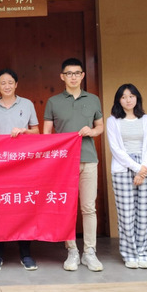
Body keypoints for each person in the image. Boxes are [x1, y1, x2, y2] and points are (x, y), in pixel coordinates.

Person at [43, 58, 105, 272]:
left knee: (88, 207)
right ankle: (72, 251)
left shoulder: (93, 99)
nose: (73, 77)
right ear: (62, 76)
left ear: (82, 76)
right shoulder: (53, 102)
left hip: (88, 159)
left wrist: (92, 131)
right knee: (67, 208)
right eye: (69, 73)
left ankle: (90, 252)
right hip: (64, 163)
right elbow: (46, 133)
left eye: (77, 73)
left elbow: (100, 126)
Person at [0, 68, 39, 271]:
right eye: (3, 83)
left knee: (23, 207)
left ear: (16, 84)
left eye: (10, 82)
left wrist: (25, 131)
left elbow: (37, 132)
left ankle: (25, 254)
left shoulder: (27, 104)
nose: (7, 86)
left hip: (23, 165)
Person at [106, 84, 147, 269]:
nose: (128, 100)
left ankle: (143, 254)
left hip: (145, 167)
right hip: (123, 168)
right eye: (124, 97)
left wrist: (143, 170)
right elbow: (116, 149)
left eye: (132, 96)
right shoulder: (113, 121)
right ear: (119, 100)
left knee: (144, 214)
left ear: (137, 98)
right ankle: (130, 254)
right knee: (126, 215)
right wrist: (136, 169)